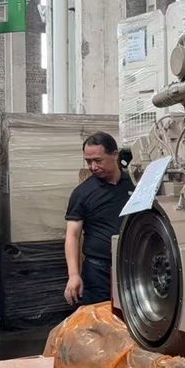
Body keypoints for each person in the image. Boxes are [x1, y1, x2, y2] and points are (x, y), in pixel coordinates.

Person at [63, 131, 135, 306]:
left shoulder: (135, 185)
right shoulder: (82, 193)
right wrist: (74, 275)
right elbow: (72, 235)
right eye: (89, 161)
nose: (93, 167)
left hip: (134, 267)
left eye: (98, 160)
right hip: (98, 272)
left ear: (115, 155)